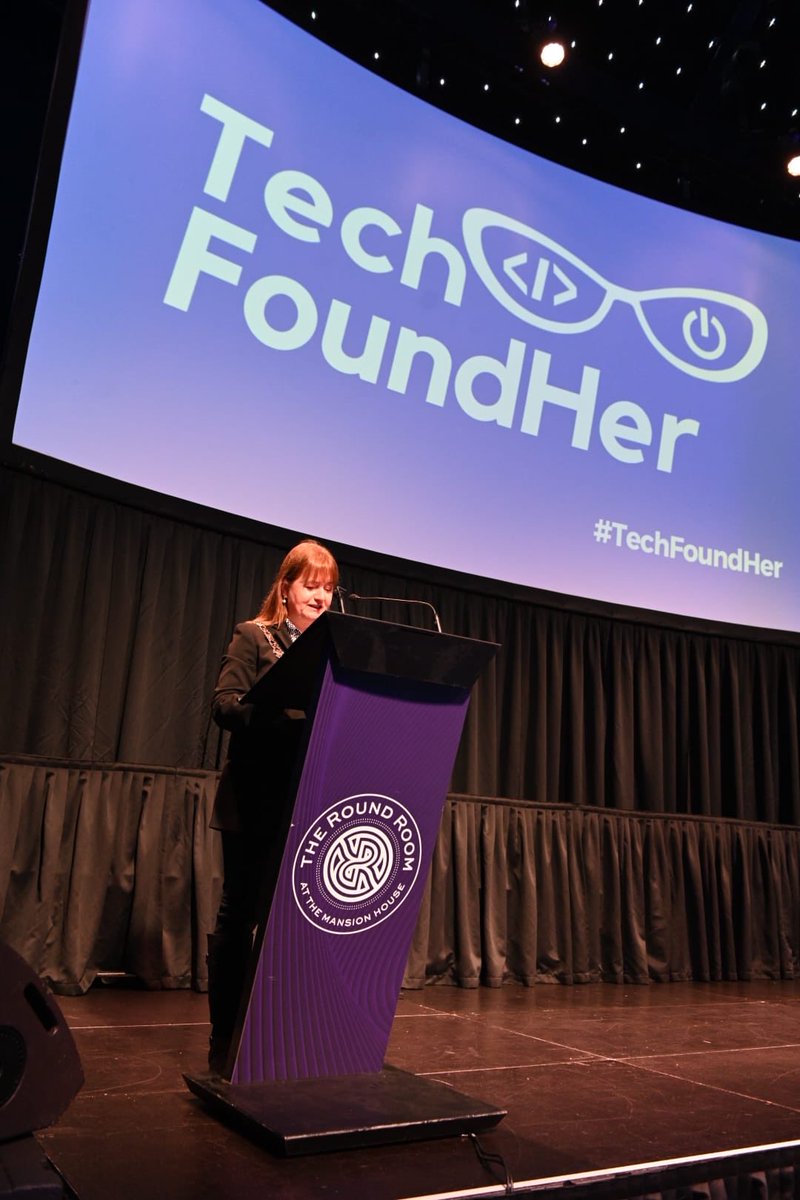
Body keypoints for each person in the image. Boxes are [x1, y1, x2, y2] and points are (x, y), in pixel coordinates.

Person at [206, 538, 339, 1074]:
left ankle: (282, 1035)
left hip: (309, 806)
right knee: (240, 917)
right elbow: (224, 706)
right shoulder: (254, 636)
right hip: (254, 801)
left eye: (329, 589)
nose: (321, 597)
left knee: (294, 924)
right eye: (312, 585)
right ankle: (223, 1041)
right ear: (285, 588)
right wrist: (286, 715)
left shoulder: (335, 654)